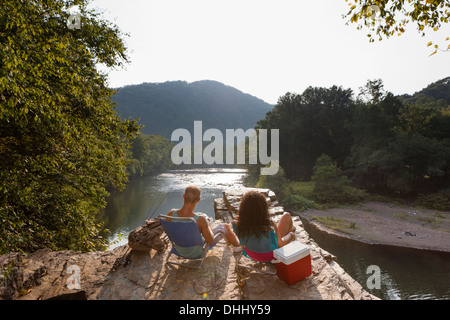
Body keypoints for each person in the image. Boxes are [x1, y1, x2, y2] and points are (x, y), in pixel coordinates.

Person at [166, 185, 242, 252]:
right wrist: (207, 226)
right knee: (225, 226)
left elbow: (169, 231)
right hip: (194, 252)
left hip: (179, 249)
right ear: (198, 200)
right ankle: (238, 247)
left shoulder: (171, 213)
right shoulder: (200, 220)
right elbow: (210, 241)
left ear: (183, 196)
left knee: (207, 222)